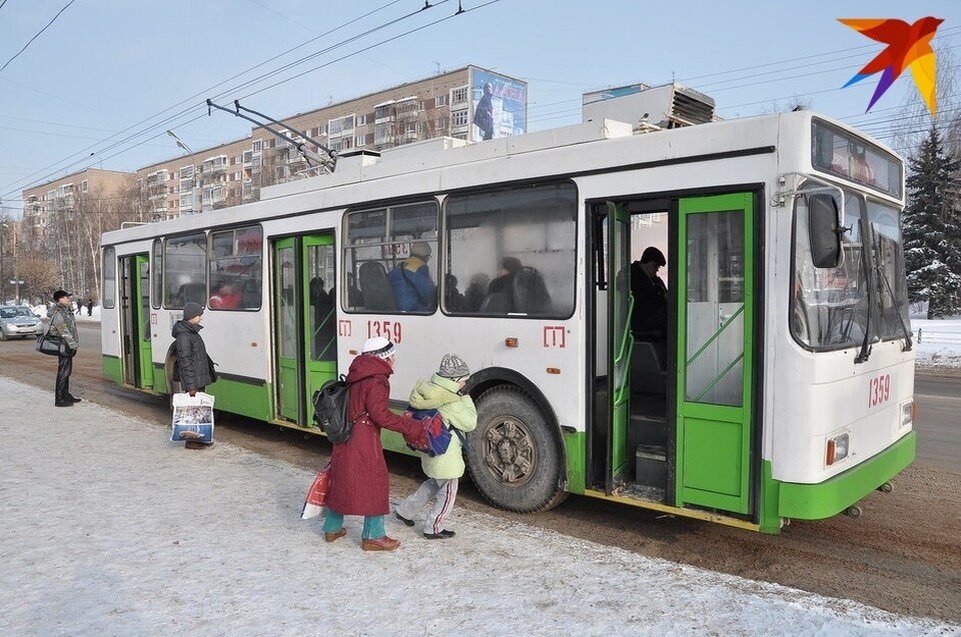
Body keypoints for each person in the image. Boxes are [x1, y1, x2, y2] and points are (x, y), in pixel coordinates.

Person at [323, 337, 429, 551]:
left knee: (342, 480)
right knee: (375, 483)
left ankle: (332, 528)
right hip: (363, 438)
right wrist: (411, 426)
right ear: (385, 357)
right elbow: (380, 415)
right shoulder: (377, 380)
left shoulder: (358, 373)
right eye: (393, 356)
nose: (394, 360)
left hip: (345, 435)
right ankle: (373, 536)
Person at [395, 354, 477, 539]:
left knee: (432, 484)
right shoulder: (452, 401)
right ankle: (433, 527)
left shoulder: (428, 392)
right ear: (454, 380)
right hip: (446, 457)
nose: (465, 384)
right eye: (464, 380)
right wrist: (466, 400)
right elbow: (470, 423)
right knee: (447, 494)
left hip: (431, 450)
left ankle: (405, 511)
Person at [172, 302, 218, 449]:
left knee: (198, 412)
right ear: (192, 317)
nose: (201, 318)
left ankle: (200, 438)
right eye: (199, 315)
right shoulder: (184, 335)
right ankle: (192, 441)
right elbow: (185, 361)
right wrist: (191, 386)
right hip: (193, 381)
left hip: (198, 378)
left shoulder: (191, 332)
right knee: (193, 412)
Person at [48, 290, 80, 407]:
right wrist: (73, 345)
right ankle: (59, 399)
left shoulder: (66, 309)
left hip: (68, 344)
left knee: (67, 371)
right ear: (60, 299)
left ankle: (66, 395)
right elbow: (63, 330)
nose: (69, 299)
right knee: (63, 371)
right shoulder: (57, 312)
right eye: (66, 297)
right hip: (64, 344)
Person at [631, 246, 668, 339]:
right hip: (640, 320)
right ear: (646, 262)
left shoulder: (655, 280)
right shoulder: (631, 276)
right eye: (655, 266)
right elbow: (643, 301)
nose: (656, 270)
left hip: (650, 317)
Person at [387, 241, 436, 312]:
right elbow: (427, 293)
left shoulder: (400, 266)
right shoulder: (420, 267)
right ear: (425, 256)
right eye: (428, 257)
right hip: (412, 308)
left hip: (395, 307)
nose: (428, 259)